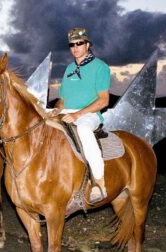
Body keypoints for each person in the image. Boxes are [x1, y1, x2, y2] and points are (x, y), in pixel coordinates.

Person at [54, 27, 111, 203]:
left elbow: (103, 101)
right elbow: (62, 100)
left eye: (79, 43)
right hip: (67, 112)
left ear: (87, 44)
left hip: (89, 114)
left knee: (84, 130)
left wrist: (78, 115)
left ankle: (98, 182)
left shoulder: (100, 67)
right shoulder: (69, 68)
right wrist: (56, 110)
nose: (75, 47)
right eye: (72, 44)